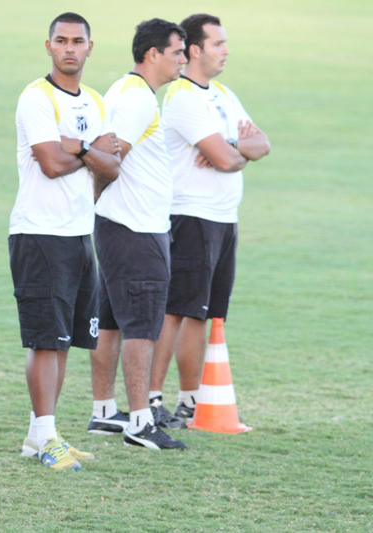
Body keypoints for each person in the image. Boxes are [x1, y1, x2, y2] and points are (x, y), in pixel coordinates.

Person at [9, 12, 121, 471]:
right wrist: (85, 151)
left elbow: (113, 167)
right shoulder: (36, 98)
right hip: (40, 233)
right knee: (45, 340)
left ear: (90, 48)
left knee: (64, 340)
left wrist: (76, 147)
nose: (70, 47)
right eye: (61, 40)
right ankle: (45, 434)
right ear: (49, 46)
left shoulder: (94, 100)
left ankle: (42, 435)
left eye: (78, 41)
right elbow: (51, 164)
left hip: (79, 234)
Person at [150, 14, 270, 421]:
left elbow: (262, 143)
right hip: (191, 216)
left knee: (202, 312)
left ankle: (189, 399)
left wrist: (232, 145)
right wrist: (234, 151)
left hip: (223, 217)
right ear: (195, 50)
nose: (226, 51)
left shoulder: (222, 93)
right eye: (218, 44)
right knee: (175, 310)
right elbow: (225, 157)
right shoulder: (183, 96)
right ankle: (151, 398)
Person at [87, 19, 188, 450]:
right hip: (135, 229)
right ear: (152, 54)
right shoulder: (138, 100)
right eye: (178, 51)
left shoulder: (124, 91)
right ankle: (140, 423)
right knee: (142, 326)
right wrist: (90, 200)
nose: (184, 59)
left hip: (117, 225)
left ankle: (105, 411)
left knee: (111, 322)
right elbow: (109, 158)